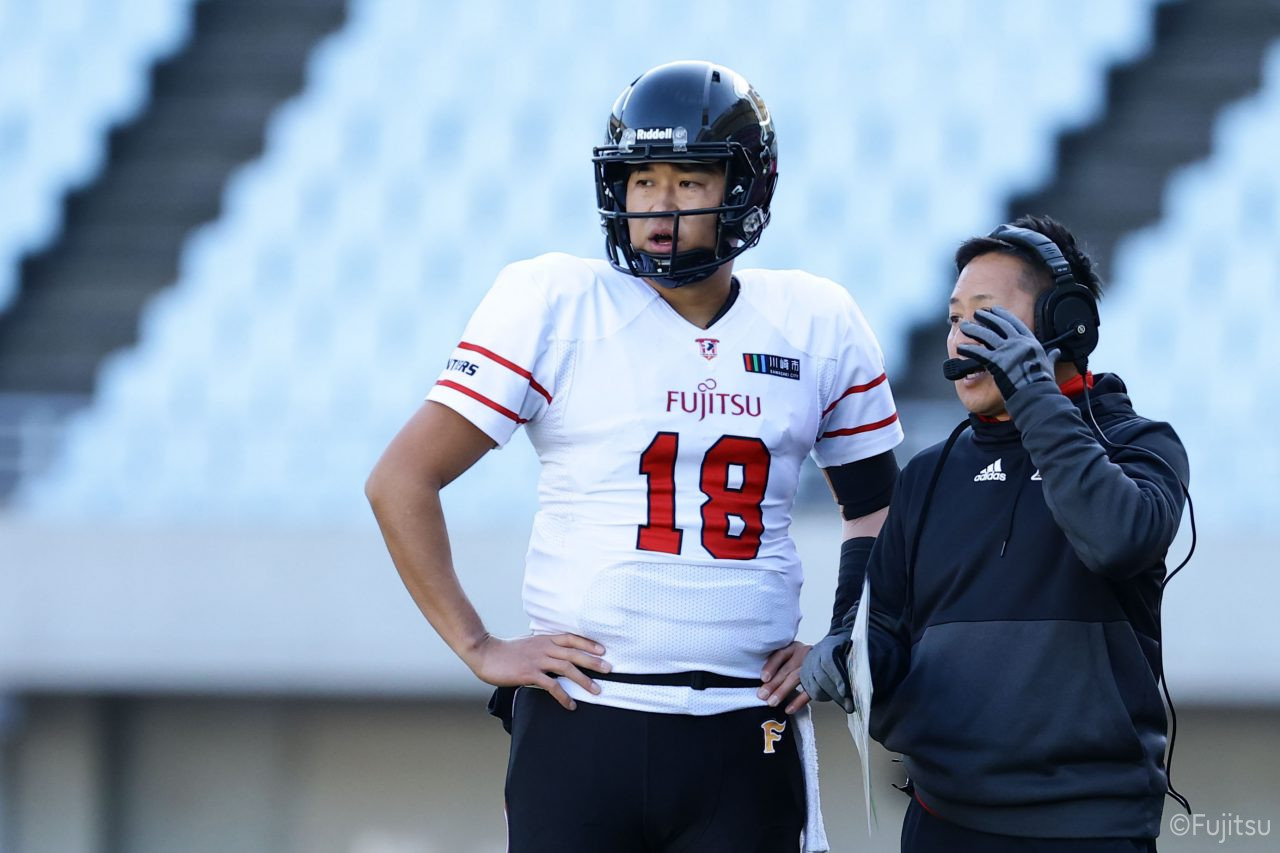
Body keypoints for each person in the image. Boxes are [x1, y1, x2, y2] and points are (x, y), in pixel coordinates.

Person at [365, 60, 903, 852]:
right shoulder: (554, 302)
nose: (659, 204)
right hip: (585, 720)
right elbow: (401, 479)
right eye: (643, 179)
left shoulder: (816, 320)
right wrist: (477, 645)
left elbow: (877, 507)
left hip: (744, 725)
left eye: (688, 180)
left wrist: (840, 635)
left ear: (746, 186)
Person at [801, 214, 1189, 851]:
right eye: (955, 319)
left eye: (986, 317)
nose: (960, 338)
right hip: (941, 822)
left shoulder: (1138, 445)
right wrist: (848, 657)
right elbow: (887, 634)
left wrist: (1033, 390)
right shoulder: (928, 475)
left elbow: (1117, 538)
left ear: (1064, 323)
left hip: (1091, 828)